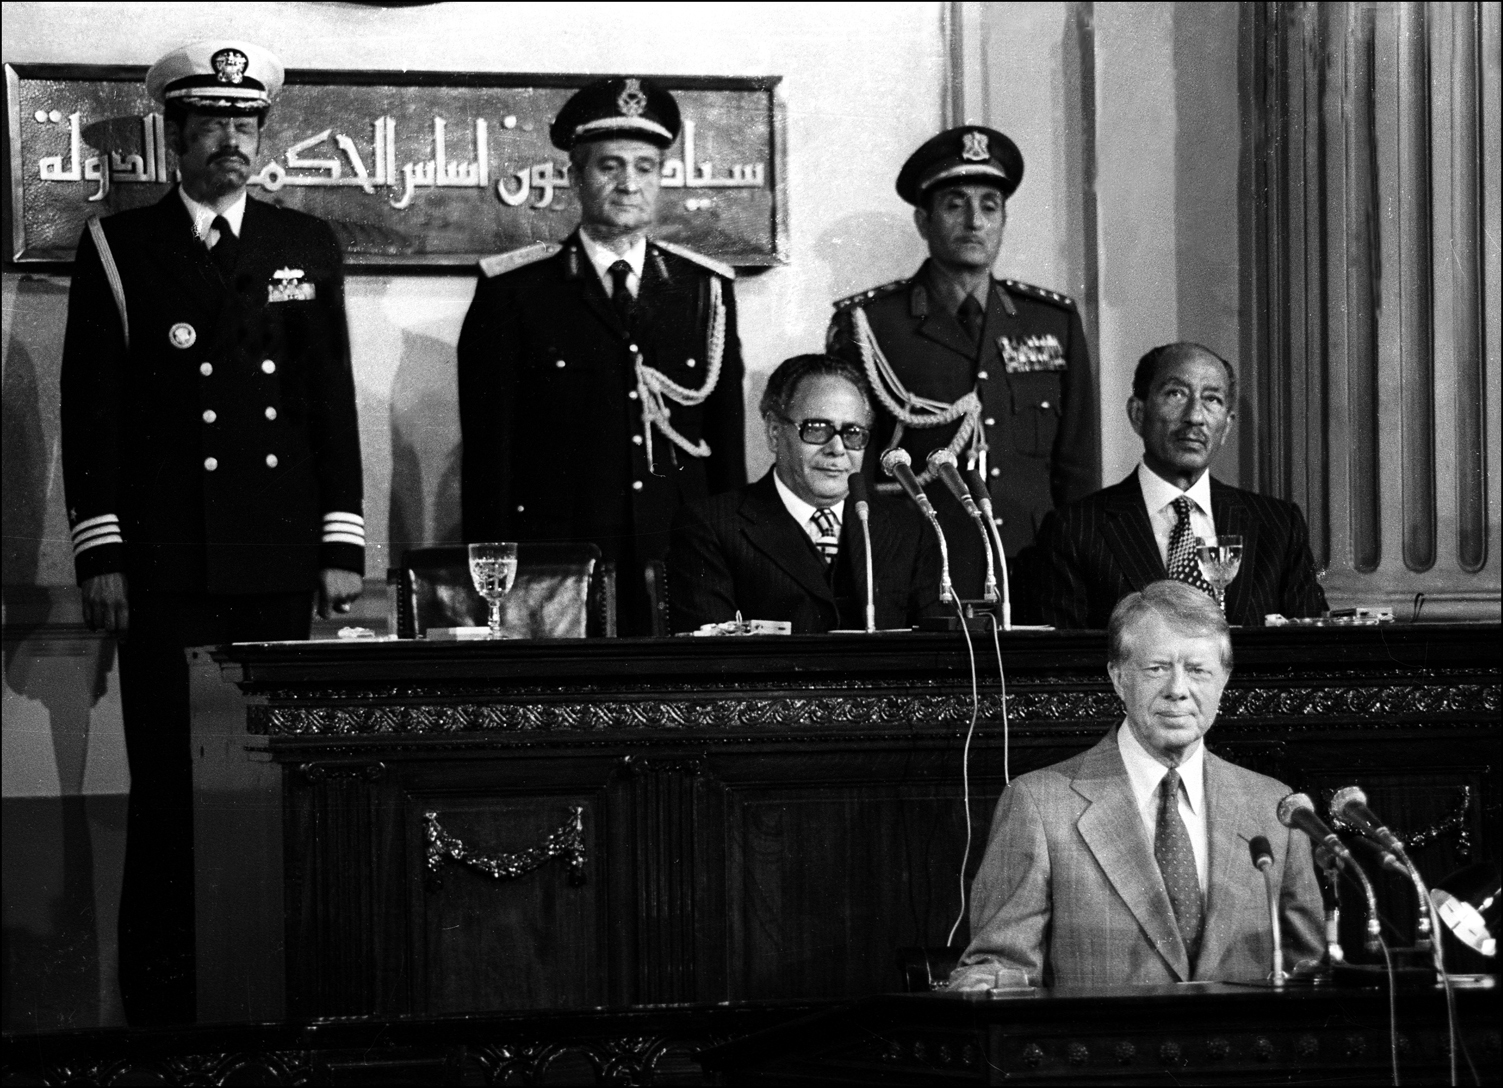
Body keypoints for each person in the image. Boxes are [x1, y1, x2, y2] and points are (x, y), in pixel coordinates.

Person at [60, 40, 364, 1024]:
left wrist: (340, 544)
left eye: (245, 126)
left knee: (275, 779)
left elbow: (327, 402)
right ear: (175, 137)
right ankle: (160, 997)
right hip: (165, 564)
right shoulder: (120, 246)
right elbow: (91, 409)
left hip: (277, 559)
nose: (230, 141)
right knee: (166, 786)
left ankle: (277, 986)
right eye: (211, 125)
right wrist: (100, 549)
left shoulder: (305, 243)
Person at [458, 76, 745, 636]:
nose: (628, 184)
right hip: (559, 562)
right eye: (609, 166)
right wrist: (495, 581)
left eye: (645, 167)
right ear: (574, 177)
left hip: (679, 557)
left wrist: (733, 562)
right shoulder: (514, 291)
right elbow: (490, 458)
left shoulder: (703, 289)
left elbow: (724, 447)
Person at [949, 580, 1323, 989]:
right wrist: (984, 986)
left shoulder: (1273, 807)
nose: (1178, 690)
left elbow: (1311, 972)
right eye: (1157, 669)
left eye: (1197, 670)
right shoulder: (1040, 804)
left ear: (1224, 679)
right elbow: (995, 966)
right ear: (1118, 677)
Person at [827, 126, 1097, 603]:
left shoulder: (1052, 320)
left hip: (1033, 564)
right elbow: (855, 471)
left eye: (989, 206)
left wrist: (1078, 567)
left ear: (1004, 220)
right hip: (919, 567)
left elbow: (1075, 468)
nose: (974, 221)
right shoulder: (870, 325)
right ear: (923, 220)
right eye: (955, 204)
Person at [1034, 342, 1327, 628]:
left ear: (1226, 426)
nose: (1195, 417)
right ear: (1138, 414)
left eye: (1212, 399)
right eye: (1175, 394)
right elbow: (1062, 664)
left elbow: (1312, 650)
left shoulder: (1278, 527)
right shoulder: (1074, 529)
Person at [667, 355, 940, 633]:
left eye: (853, 433)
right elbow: (711, 662)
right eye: (817, 429)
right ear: (774, 432)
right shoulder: (710, 528)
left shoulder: (906, 528)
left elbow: (937, 651)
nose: (837, 448)